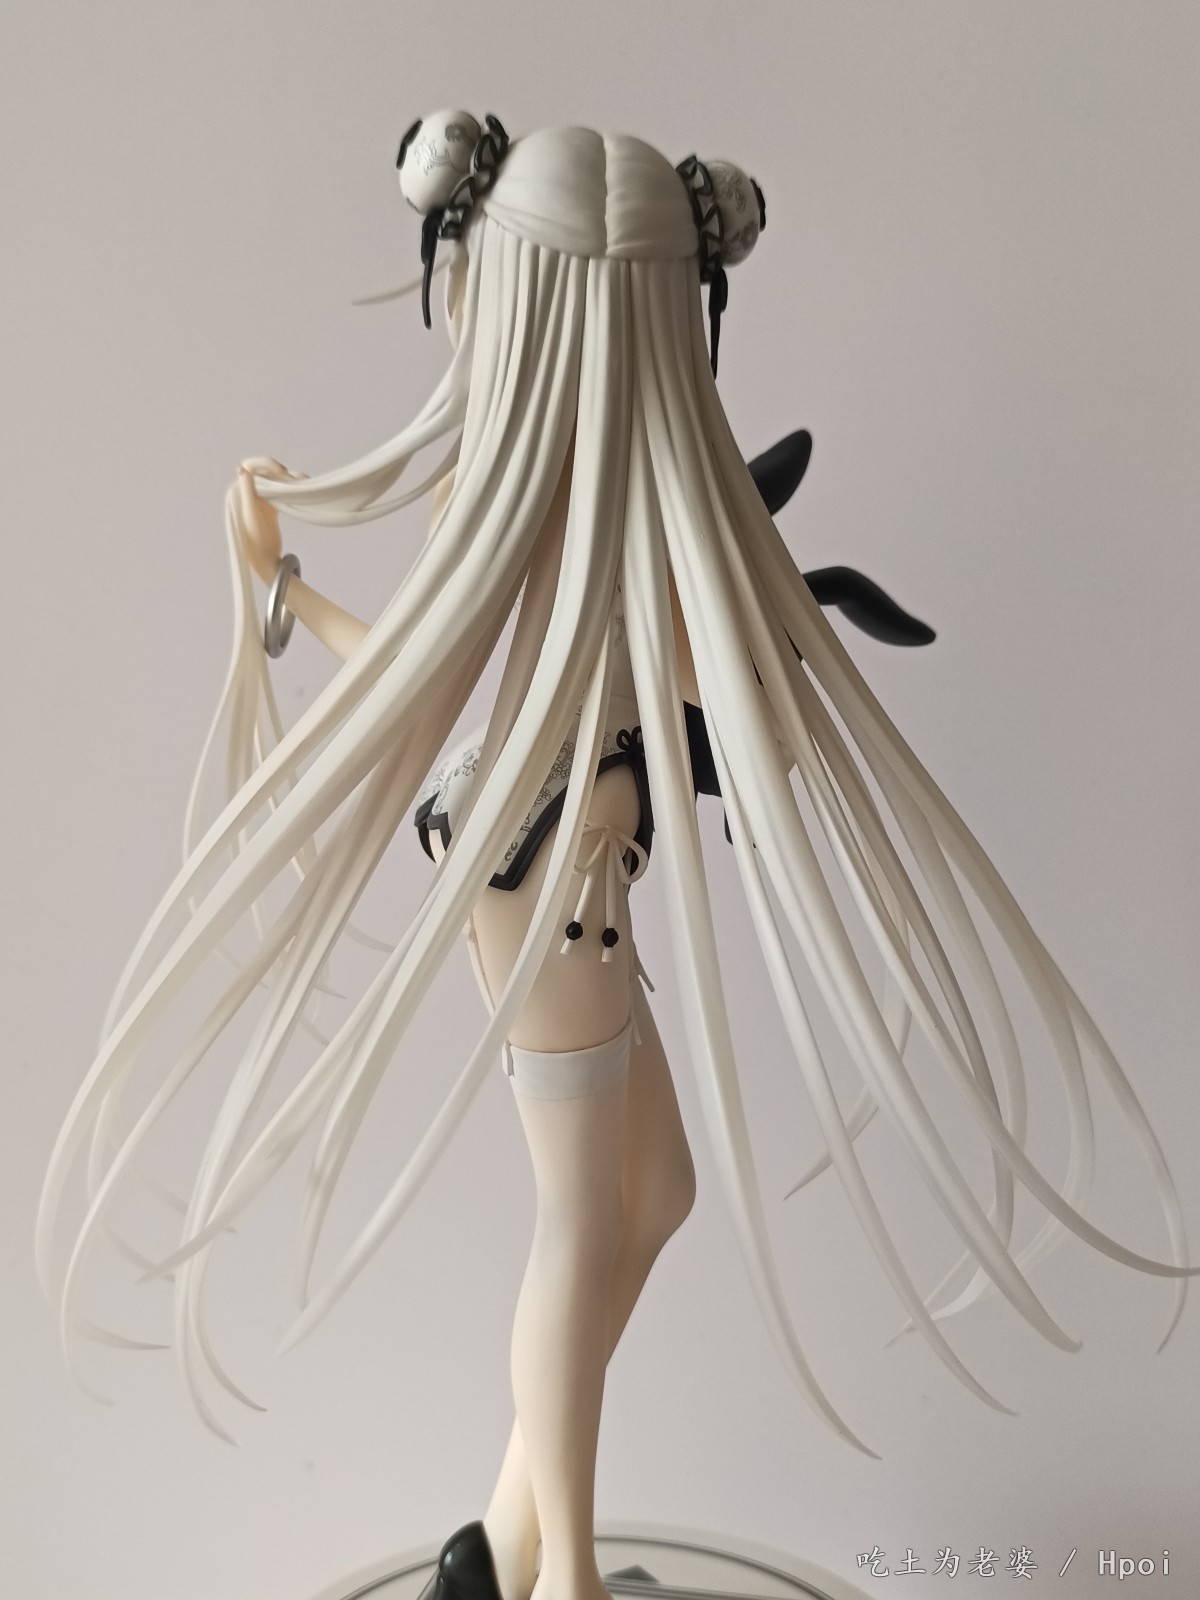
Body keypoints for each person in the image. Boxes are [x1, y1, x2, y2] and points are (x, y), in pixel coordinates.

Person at [36, 113, 1196, 1600]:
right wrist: (287, 593)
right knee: (585, 1222)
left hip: (587, 879)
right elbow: (431, 680)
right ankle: (565, 1578)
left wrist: (769, 654)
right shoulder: (514, 495)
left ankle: (506, 1545)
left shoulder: (638, 502)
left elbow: (662, 678)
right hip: (542, 881)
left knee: (661, 1198)